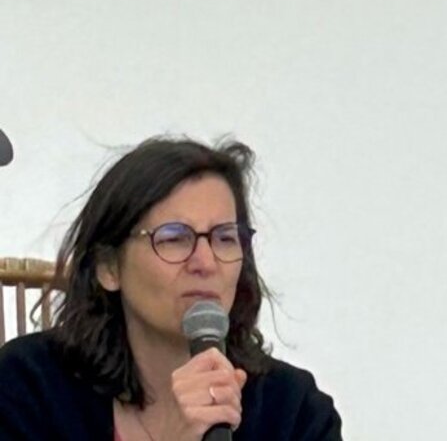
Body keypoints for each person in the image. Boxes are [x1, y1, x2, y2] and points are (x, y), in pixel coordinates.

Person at [0, 137, 341, 441]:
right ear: (108, 267)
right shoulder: (27, 386)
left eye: (224, 238)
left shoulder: (293, 409)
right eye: (174, 238)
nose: (205, 262)